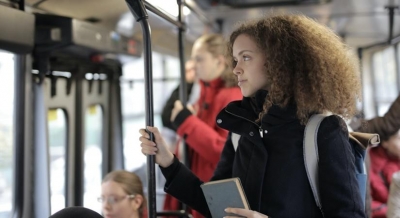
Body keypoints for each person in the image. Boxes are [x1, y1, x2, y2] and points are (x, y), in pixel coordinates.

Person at [139, 14, 365, 218]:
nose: (236, 68)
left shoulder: (322, 130)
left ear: (279, 62)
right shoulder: (242, 129)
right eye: (235, 59)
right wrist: (168, 162)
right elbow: (216, 205)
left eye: (246, 57)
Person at [162, 34, 242, 218]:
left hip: (212, 193)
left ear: (219, 61)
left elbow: (224, 152)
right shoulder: (206, 95)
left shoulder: (230, 97)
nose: (193, 65)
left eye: (199, 59)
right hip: (199, 189)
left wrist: (187, 122)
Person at [368, 129, 400, 218]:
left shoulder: (397, 158)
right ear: (385, 142)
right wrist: (387, 209)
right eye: (398, 138)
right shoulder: (370, 162)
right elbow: (366, 200)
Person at [161, 60, 199, 131]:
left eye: (194, 69)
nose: (192, 73)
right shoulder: (181, 89)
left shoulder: (196, 87)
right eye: (188, 71)